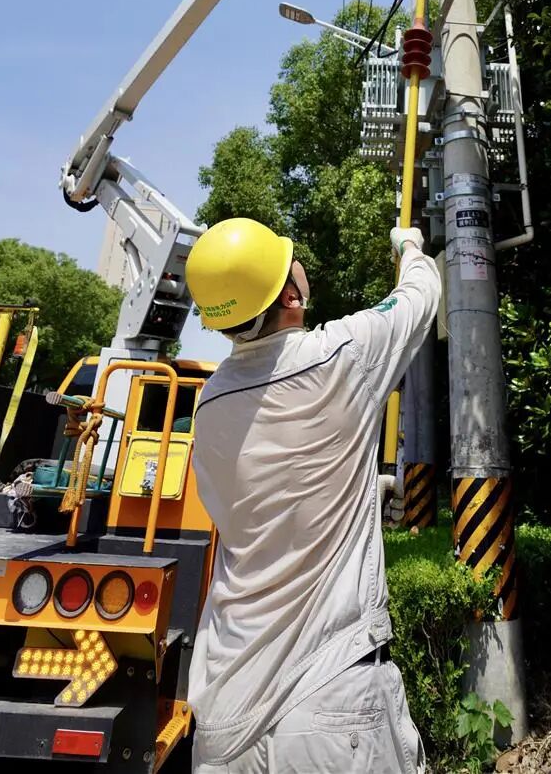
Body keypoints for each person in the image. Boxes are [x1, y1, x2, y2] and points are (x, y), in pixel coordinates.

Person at [185, 215, 440, 773]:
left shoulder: (210, 402)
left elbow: (258, 507)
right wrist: (409, 246)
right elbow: (419, 297)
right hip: (329, 698)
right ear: (291, 296)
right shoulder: (339, 356)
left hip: (225, 714)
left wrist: (363, 488)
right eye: (290, 260)